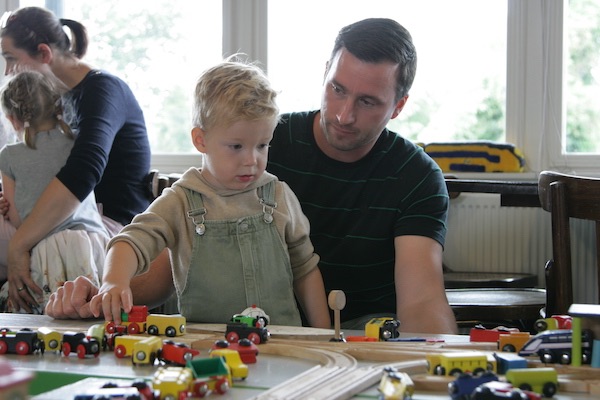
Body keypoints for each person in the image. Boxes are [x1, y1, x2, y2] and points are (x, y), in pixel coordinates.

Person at [46, 18, 457, 334]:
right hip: (227, 332)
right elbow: (168, 263)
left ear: (399, 106)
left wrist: (439, 367)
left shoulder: (415, 176)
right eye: (337, 89)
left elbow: (421, 300)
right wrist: (103, 294)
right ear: (325, 72)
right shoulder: (259, 137)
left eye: (368, 101)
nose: (343, 114)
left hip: (357, 331)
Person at [88, 60, 331, 328]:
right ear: (200, 140)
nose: (251, 159)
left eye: (262, 145)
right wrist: (114, 281)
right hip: (207, 347)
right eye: (236, 146)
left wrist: (324, 335)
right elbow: (130, 242)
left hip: (283, 344)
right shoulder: (180, 200)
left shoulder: (278, 194)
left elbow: (305, 269)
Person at [0, 6, 151, 312]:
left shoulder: (103, 90)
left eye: (11, 59)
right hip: (69, 220)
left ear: (44, 53)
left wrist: (19, 245)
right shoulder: (58, 105)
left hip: (103, 228)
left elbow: (83, 171)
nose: (7, 72)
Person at [0, 70, 109, 313]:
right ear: (57, 106)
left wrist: (7, 213)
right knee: (94, 311)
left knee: (46, 316)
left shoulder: (9, 155)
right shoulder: (79, 143)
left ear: (12, 119)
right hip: (94, 244)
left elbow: (20, 221)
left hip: (49, 249)